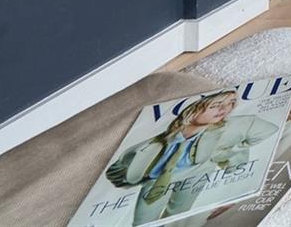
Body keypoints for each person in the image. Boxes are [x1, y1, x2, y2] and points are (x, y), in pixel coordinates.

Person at [105, 89, 277, 224]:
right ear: (192, 110)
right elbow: (115, 170)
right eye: (216, 105)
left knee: (178, 216)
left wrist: (227, 152)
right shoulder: (157, 140)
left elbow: (268, 129)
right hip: (158, 180)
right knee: (143, 221)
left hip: (196, 173)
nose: (225, 109)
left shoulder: (232, 126)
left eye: (231, 103)